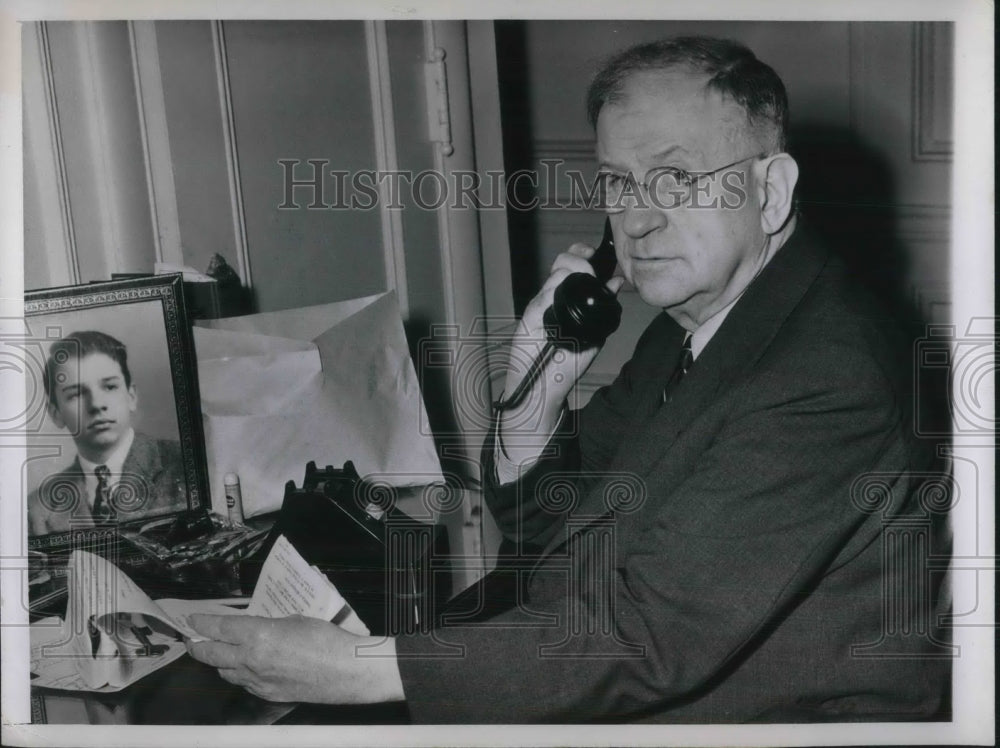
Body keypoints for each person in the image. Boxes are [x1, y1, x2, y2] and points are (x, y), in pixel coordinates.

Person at [186, 36, 950, 722]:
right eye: (618, 182)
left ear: (771, 191)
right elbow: (551, 532)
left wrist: (350, 670)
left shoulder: (826, 377)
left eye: (675, 179)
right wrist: (538, 389)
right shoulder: (696, 322)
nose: (637, 221)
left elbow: (643, 641)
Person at [27, 330, 188, 535]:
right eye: (76, 394)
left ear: (131, 396)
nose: (96, 405)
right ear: (56, 413)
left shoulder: (183, 464)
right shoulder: (38, 507)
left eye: (110, 387)